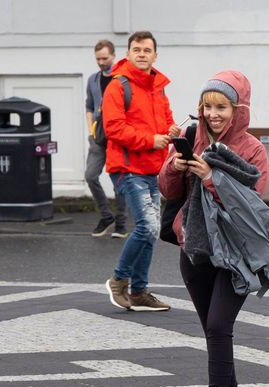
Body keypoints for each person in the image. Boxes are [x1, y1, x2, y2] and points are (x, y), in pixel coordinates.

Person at [159, 71, 269, 387]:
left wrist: (212, 176)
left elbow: (251, 203)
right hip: (194, 251)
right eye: (207, 106)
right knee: (215, 333)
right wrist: (173, 167)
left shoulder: (252, 149)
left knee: (217, 327)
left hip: (236, 254)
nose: (213, 114)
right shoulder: (191, 138)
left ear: (237, 109)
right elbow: (166, 190)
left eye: (221, 107)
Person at [103, 31, 180, 312]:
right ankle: (119, 280)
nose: (142, 54)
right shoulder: (118, 86)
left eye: (147, 50)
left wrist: (170, 131)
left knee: (151, 230)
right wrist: (151, 139)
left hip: (153, 169)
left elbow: (166, 120)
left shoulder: (158, 87)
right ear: (128, 52)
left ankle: (139, 292)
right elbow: (113, 128)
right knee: (147, 226)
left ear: (155, 55)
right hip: (127, 168)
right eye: (137, 49)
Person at [85, 39, 127, 238]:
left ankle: (121, 223)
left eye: (105, 58)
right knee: (90, 175)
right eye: (98, 59)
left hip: (117, 137)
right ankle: (105, 215)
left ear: (113, 56)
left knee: (118, 179)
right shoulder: (93, 80)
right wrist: (91, 130)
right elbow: (89, 106)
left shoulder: (121, 78)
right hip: (98, 136)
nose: (101, 62)